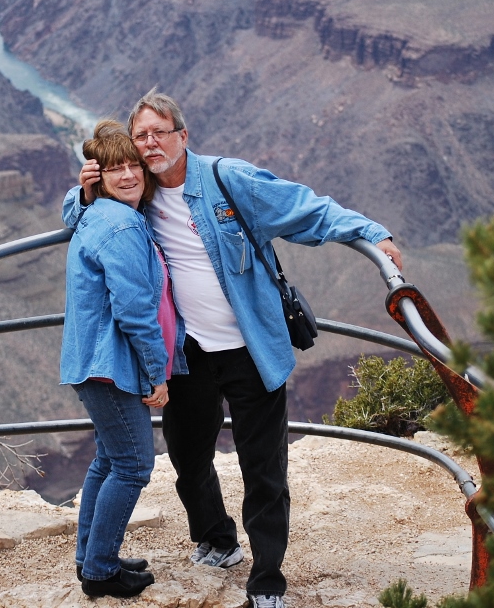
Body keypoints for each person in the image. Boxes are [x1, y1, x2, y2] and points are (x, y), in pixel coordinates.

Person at [64, 90, 403, 608]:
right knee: (189, 458)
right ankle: (217, 539)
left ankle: (267, 582)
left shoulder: (227, 180)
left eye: (160, 132)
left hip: (251, 350)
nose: (150, 144)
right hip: (187, 356)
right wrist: (82, 193)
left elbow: (303, 208)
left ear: (183, 135)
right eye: (141, 136)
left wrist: (369, 233)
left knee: (263, 470)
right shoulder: (138, 191)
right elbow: (83, 216)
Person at [62, 119, 187, 599]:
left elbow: (70, 213)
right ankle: (99, 571)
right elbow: (134, 312)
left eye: (133, 164)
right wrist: (158, 375)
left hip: (92, 363)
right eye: (115, 169)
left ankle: (91, 557)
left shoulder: (97, 213)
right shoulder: (119, 225)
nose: (129, 175)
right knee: (134, 465)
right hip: (109, 366)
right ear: (100, 177)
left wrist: (83, 192)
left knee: (107, 461)